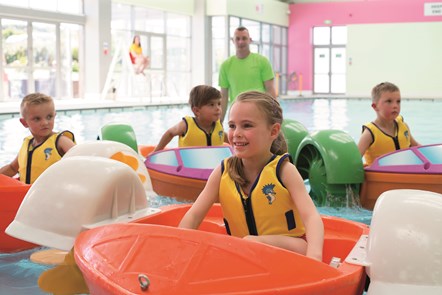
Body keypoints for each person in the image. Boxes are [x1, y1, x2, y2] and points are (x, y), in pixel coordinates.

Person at [179, 91, 324, 261]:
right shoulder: (222, 172)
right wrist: (178, 249)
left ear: (273, 131)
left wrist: (314, 257)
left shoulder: (284, 171)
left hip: (289, 253)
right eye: (232, 126)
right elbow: (194, 215)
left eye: (247, 125)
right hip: (244, 255)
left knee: (251, 242)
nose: (236, 133)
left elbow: (311, 217)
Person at [0, 93, 75, 184]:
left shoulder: (61, 141)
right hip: (28, 195)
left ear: (54, 115)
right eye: (37, 119)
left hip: (54, 194)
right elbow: (12, 168)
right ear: (24, 123)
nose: (45, 123)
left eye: (49, 117)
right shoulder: (27, 144)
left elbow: (81, 160)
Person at [218, 26, 277, 122]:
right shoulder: (225, 66)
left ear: (250, 40)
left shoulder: (262, 61)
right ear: (233, 41)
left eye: (244, 38)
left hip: (259, 111)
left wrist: (275, 114)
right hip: (237, 112)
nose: (241, 42)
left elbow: (270, 89)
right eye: (237, 38)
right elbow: (224, 96)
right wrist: (219, 121)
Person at [358, 82, 419, 166]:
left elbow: (415, 146)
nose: (395, 106)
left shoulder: (404, 126)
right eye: (389, 101)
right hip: (381, 177)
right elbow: (355, 161)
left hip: (405, 174)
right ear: (375, 106)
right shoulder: (369, 134)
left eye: (398, 101)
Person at [153, 85, 226, 152]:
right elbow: (170, 133)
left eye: (219, 104)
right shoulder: (186, 125)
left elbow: (225, 137)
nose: (218, 108)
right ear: (197, 110)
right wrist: (156, 152)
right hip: (188, 165)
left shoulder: (218, 126)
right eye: (211, 105)